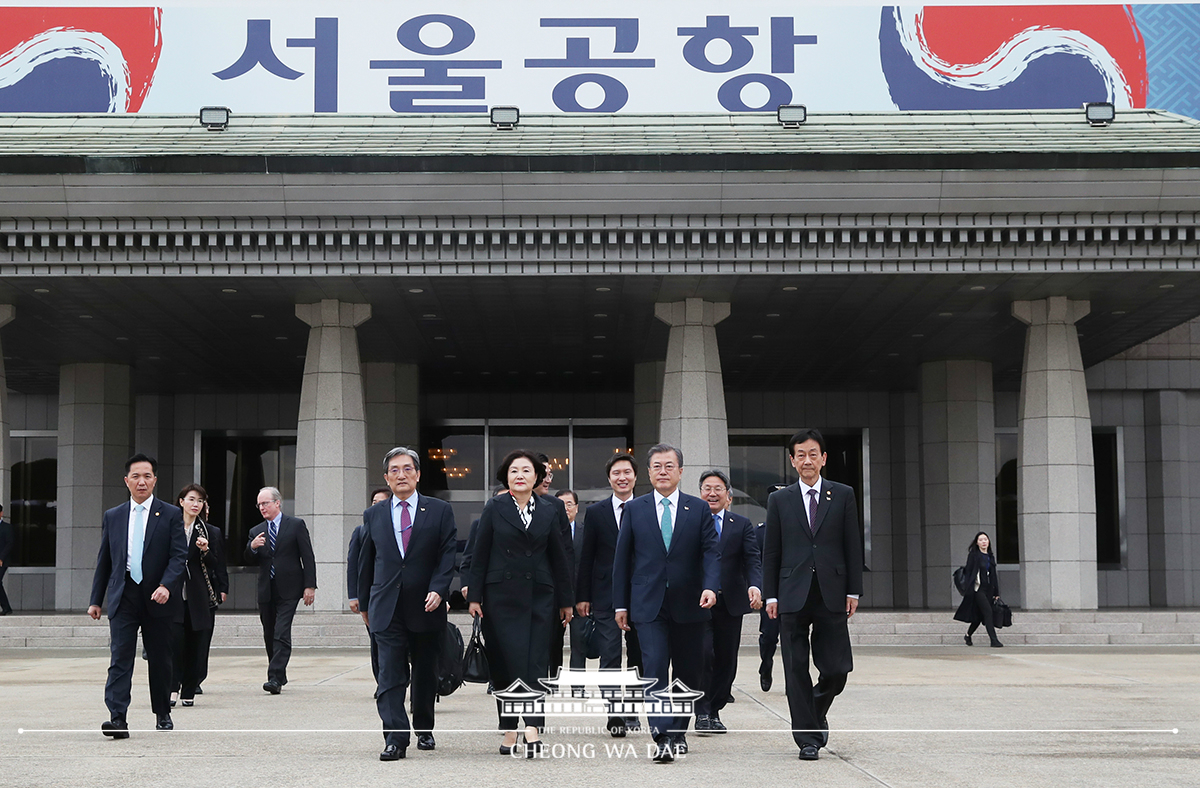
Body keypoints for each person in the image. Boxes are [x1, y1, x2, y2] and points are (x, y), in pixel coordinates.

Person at [613, 443, 720, 763]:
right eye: (657, 466)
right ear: (648, 473)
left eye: (669, 466)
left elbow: (711, 553)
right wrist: (621, 604)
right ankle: (661, 734)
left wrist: (711, 587)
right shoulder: (635, 509)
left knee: (688, 672)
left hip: (690, 603)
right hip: (648, 604)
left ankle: (678, 732)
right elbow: (622, 560)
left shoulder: (698, 508)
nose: (663, 471)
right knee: (655, 666)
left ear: (680, 472)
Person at [764, 429, 864, 761]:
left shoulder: (843, 494)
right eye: (800, 455)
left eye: (813, 454)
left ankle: (815, 708)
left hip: (832, 592)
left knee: (838, 668)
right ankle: (807, 737)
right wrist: (771, 595)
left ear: (823, 458)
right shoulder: (780, 500)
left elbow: (852, 544)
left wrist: (854, 589)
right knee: (795, 669)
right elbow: (771, 551)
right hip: (791, 593)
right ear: (792, 461)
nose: (807, 460)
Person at [467, 449, 573, 758]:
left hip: (542, 597)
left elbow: (561, 556)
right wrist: (474, 596)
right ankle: (510, 725)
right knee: (506, 663)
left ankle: (533, 727)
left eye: (527, 470)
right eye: (514, 471)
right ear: (507, 477)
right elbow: (479, 554)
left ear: (537, 476)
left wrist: (566, 600)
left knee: (536, 663)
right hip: (500, 598)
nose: (520, 475)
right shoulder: (494, 508)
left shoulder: (551, 509)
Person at [357, 447, 458, 761]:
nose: (401, 475)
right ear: (386, 478)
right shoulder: (373, 514)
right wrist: (363, 603)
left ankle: (424, 727)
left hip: (427, 605)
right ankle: (395, 738)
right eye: (394, 470)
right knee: (389, 674)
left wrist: (440, 589)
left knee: (425, 672)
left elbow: (447, 554)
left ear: (417, 474)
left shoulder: (439, 510)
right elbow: (367, 561)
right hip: (386, 606)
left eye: (407, 469)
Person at [88, 454, 187, 737]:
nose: (141, 481)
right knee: (120, 658)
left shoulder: (170, 514)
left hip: (159, 596)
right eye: (136, 476)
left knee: (159, 657)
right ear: (126, 481)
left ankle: (162, 713)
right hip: (124, 595)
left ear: (155, 480)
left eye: (147, 476)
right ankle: (117, 718)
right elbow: (105, 560)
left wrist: (167, 585)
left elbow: (178, 556)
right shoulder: (114, 515)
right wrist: (96, 600)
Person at [577, 452, 643, 737]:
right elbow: (586, 556)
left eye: (627, 472)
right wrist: (582, 595)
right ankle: (615, 713)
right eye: (616, 473)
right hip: (604, 595)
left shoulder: (645, 508)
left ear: (635, 477)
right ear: (609, 478)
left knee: (640, 657)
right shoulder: (596, 512)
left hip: (642, 593)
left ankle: (632, 711)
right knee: (610, 657)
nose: (622, 477)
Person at [694, 470, 762, 734]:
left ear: (728, 496)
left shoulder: (741, 524)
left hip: (731, 602)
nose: (712, 493)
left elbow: (752, 559)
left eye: (718, 488)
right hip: (699, 602)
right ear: (700, 494)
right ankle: (701, 712)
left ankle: (715, 709)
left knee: (726, 659)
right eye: (707, 488)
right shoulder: (692, 522)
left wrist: (755, 585)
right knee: (703, 655)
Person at [245, 486, 316, 695]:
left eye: (265, 503)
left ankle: (274, 677)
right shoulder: (256, 531)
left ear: (277, 503)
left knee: (281, 632)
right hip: (267, 588)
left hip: (290, 588)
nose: (261, 508)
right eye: (259, 504)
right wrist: (253, 547)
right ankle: (279, 674)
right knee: (269, 633)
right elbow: (247, 558)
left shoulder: (295, 525)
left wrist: (309, 586)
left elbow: (308, 557)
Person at [170, 484, 228, 708]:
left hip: (199, 594)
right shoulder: (169, 527)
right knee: (174, 643)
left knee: (197, 643)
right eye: (192, 499)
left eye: (200, 501)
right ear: (181, 501)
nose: (196, 504)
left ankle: (189, 688)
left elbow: (217, 563)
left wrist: (205, 550)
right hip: (173, 593)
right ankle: (172, 687)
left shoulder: (210, 532)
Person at [537, 453, 575, 678]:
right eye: (543, 473)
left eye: (550, 474)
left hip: (549, 592)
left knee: (551, 643)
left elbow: (565, 555)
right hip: (515, 592)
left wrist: (566, 598)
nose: (547, 479)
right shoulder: (503, 505)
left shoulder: (555, 506)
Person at [348, 487, 391, 681]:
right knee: (376, 641)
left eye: (381, 502)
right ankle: (381, 681)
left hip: (394, 592)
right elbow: (355, 565)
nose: (376, 506)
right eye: (374, 502)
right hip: (373, 595)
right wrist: (354, 595)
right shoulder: (361, 530)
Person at [757, 484, 788, 691]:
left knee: (791, 639)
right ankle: (766, 665)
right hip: (770, 594)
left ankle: (792, 681)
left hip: (793, 592)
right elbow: (756, 564)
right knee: (769, 637)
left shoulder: (799, 529)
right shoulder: (760, 532)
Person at [954, 531, 1004, 647]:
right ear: (977, 543)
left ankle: (968, 635)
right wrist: (968, 588)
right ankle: (994, 640)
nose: (983, 542)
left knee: (979, 616)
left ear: (989, 541)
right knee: (988, 612)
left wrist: (996, 592)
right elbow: (969, 572)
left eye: (985, 539)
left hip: (988, 589)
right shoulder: (974, 555)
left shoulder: (990, 556)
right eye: (981, 540)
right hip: (977, 589)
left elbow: (993, 575)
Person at [556, 489, 588, 671]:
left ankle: (578, 686)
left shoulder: (586, 531)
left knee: (579, 645)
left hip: (580, 599)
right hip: (555, 599)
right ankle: (551, 683)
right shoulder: (549, 531)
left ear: (576, 508)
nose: (566, 508)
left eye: (569, 504)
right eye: (561, 505)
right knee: (553, 644)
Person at [0, 504, 12, 615]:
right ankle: (7, 607)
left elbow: (9, 544)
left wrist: (1, 558)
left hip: (1, 561)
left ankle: (6, 608)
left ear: (1, 513)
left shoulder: (6, 527)